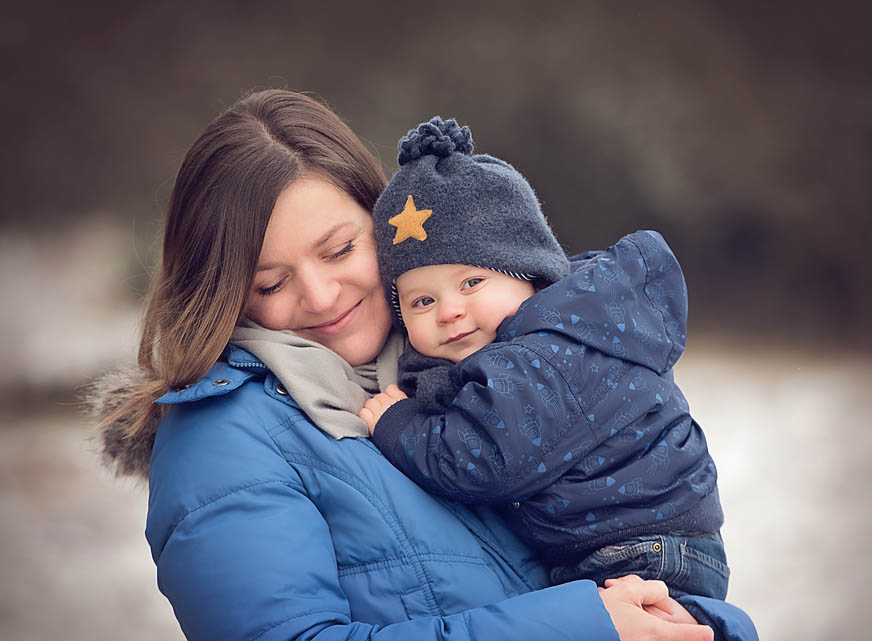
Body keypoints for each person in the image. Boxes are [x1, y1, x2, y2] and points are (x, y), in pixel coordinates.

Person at [91, 89, 756, 641]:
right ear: (222, 291)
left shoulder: (461, 367)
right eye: (270, 283)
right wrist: (583, 624)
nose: (321, 297)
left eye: (338, 249)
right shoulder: (224, 440)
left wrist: (699, 622)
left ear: (389, 228)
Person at [359, 118, 727, 600]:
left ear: (530, 274)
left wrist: (401, 425)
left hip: (640, 552)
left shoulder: (540, 355)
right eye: (422, 302)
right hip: (656, 543)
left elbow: (485, 461)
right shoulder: (565, 328)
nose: (449, 311)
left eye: (472, 283)